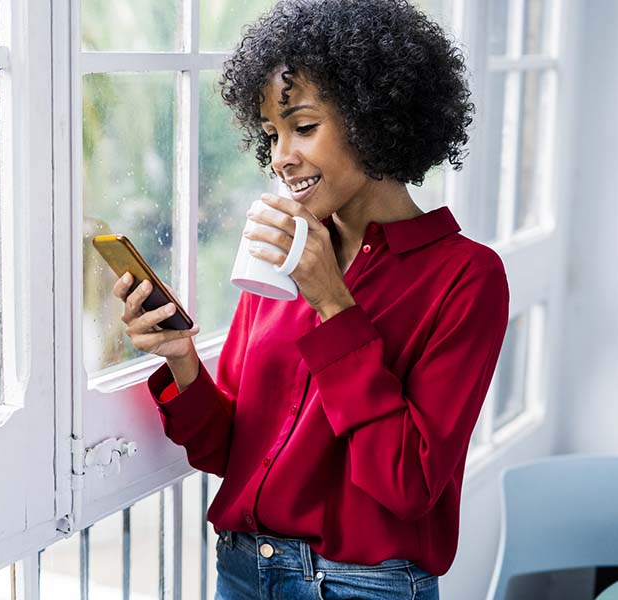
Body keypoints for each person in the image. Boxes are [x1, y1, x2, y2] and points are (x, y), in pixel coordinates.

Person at [111, 0, 509, 598]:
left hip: (362, 588)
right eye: (272, 134)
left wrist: (332, 303)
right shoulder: (282, 256)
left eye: (303, 127)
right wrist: (181, 359)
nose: (280, 157)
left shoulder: (467, 278)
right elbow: (229, 451)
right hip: (242, 571)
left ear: (375, 118)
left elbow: (407, 485)